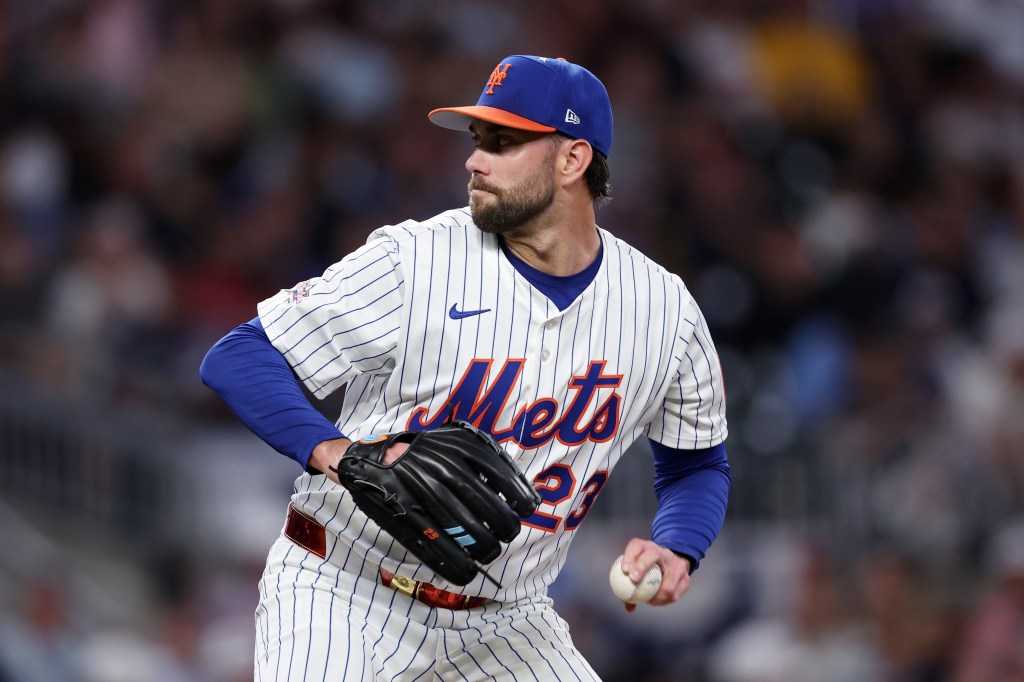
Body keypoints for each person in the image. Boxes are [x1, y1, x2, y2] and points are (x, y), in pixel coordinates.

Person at [200, 54, 730, 681]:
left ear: (572, 160)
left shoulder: (665, 311)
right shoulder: (415, 259)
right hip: (343, 590)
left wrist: (678, 545)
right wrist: (339, 453)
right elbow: (239, 355)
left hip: (507, 623)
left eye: (502, 143)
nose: (475, 160)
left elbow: (697, 464)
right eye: (478, 140)